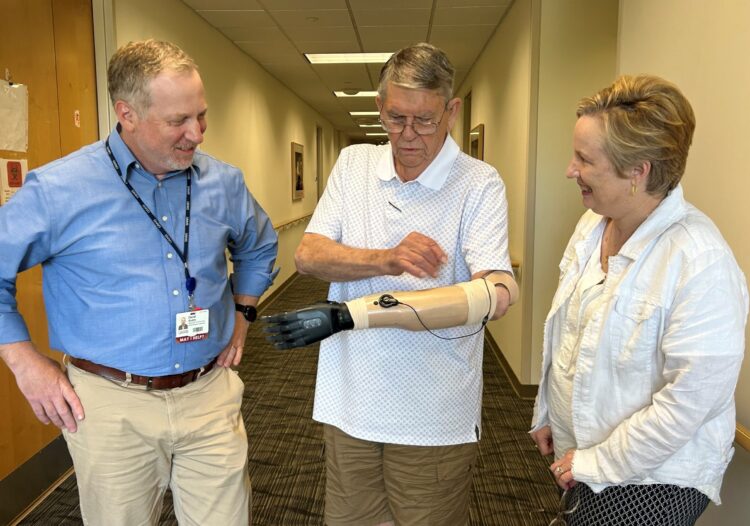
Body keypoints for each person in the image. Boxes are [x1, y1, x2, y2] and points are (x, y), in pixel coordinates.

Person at [0, 40, 278, 525]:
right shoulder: (60, 190)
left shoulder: (223, 182)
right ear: (126, 113)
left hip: (208, 392)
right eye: (178, 121)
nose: (196, 134)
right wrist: (24, 361)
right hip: (109, 405)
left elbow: (258, 246)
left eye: (202, 115)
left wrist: (244, 312)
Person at [286, 43, 516, 526]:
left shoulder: (479, 183)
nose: (408, 135)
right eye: (396, 119)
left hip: (433, 412)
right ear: (380, 108)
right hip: (350, 402)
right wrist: (385, 258)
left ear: (451, 111)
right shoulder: (354, 166)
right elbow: (307, 255)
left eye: (425, 121)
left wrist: (492, 290)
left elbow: (492, 293)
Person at [530, 75, 748, 526]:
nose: (570, 170)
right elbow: (569, 334)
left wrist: (596, 464)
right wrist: (549, 412)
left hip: (653, 481)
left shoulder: (699, 260)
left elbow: (688, 402)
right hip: (584, 459)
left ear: (638, 170)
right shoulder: (593, 228)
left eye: (585, 159)